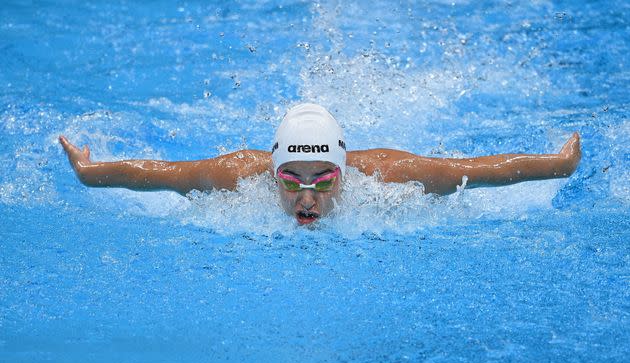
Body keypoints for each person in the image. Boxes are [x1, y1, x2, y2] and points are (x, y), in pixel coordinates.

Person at [60, 103, 581, 225]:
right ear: (272, 171)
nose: (306, 199)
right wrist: (90, 171)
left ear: (344, 171)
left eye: (324, 180)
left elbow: (480, 169)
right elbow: (158, 174)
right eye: (291, 180)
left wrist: (556, 166)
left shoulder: (388, 176)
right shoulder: (236, 177)